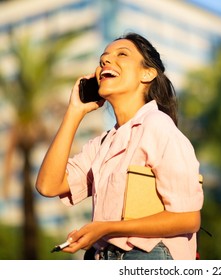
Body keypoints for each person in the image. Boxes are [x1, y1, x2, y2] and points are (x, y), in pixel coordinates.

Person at [35, 32, 204, 260]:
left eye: (122, 54)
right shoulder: (104, 143)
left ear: (147, 73)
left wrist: (106, 228)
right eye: (103, 58)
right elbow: (48, 186)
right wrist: (75, 111)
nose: (105, 61)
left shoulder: (158, 126)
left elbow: (188, 218)